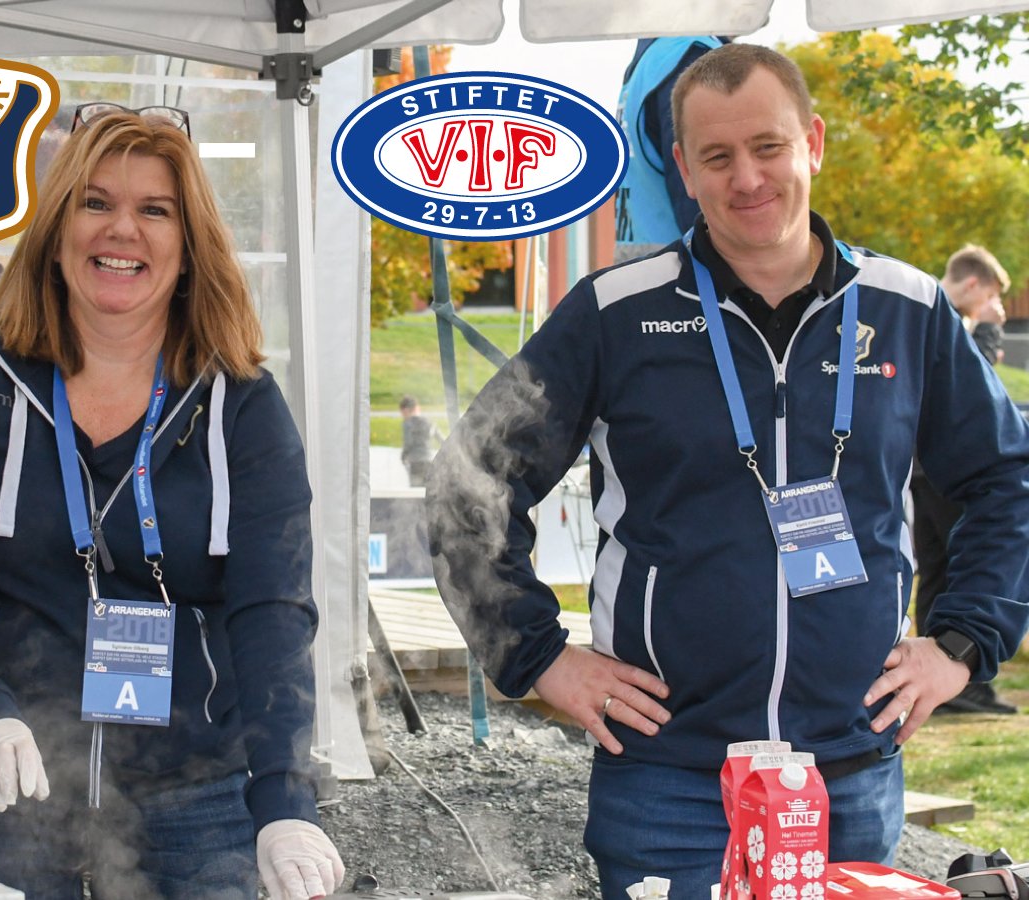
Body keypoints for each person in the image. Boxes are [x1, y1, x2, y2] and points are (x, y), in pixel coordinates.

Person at [429, 44, 1029, 899]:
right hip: (669, 780)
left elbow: (1007, 481)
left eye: (768, 146)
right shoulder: (616, 311)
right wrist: (538, 657)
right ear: (683, 168)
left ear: (812, 142)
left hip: (849, 775)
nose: (747, 178)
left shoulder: (910, 308)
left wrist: (963, 644)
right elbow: (467, 486)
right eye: (717, 156)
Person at [0, 103, 345, 900]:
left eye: (155, 210)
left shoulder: (241, 404)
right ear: (56, 232)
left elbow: (273, 611)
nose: (122, 229)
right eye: (95, 202)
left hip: (198, 799)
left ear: (190, 245)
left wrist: (284, 799)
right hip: (7, 783)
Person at [910, 245, 1017, 715]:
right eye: (991, 295)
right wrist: (990, 329)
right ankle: (966, 680)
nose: (994, 306)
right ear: (973, 284)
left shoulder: (911, 309)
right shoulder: (941, 317)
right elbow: (975, 396)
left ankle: (942, 681)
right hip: (949, 472)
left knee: (936, 571)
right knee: (960, 565)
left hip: (918, 471)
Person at [615, 36, 726, 261]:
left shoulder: (651, 61)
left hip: (643, 267)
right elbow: (700, 201)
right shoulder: (691, 58)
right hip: (687, 271)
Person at [398, 395, 443, 488]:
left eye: (402, 413)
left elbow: (408, 442)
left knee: (416, 491)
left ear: (406, 410)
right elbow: (442, 440)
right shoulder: (429, 422)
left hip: (415, 462)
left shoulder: (408, 423)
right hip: (429, 461)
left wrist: (403, 456)